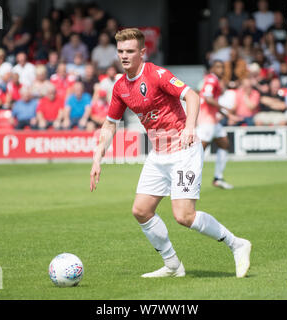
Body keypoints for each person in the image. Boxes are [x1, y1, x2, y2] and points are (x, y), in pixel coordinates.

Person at [89, 28, 251, 278]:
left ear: (142, 52)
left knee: (184, 216)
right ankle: (173, 265)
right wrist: (97, 157)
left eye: (130, 51)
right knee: (141, 211)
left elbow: (192, 96)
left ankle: (237, 244)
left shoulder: (157, 74)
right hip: (158, 154)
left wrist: (189, 127)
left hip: (184, 151)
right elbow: (110, 123)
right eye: (120, 51)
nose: (124, 56)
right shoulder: (120, 87)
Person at [196, 60, 234, 189]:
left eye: (222, 67)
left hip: (213, 120)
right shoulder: (212, 79)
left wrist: (224, 112)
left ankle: (218, 178)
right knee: (199, 151)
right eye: (218, 67)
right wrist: (225, 108)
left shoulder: (214, 79)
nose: (221, 69)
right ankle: (188, 178)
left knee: (224, 144)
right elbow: (208, 98)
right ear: (212, 68)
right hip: (206, 121)